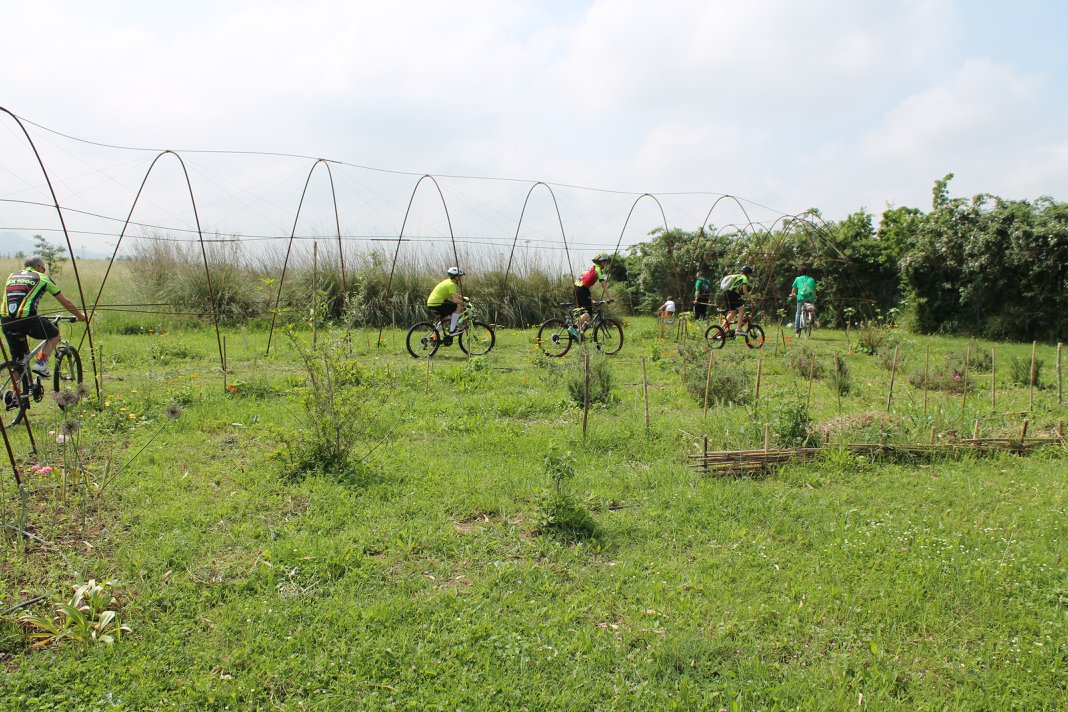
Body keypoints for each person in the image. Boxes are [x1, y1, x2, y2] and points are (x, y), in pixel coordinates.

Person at [2, 256, 86, 378]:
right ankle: (41, 363)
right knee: (55, 334)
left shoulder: (12, 276)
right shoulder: (42, 278)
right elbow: (65, 302)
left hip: (6, 320)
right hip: (27, 319)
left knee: (20, 362)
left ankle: (13, 394)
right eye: (44, 269)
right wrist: (81, 316)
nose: (44, 271)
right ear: (39, 267)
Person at [571, 253, 613, 339]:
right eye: (604, 262)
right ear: (600, 262)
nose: (605, 264)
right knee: (588, 314)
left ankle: (578, 334)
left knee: (583, 314)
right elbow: (604, 285)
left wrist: (589, 300)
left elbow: (582, 280)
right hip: (582, 290)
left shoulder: (591, 269)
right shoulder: (598, 270)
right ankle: (573, 327)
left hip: (576, 288)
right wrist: (610, 298)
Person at [426, 266, 466, 336]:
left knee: (446, 319)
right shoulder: (451, 284)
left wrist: (463, 298)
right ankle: (452, 331)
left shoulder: (448, 282)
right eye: (460, 277)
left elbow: (455, 295)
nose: (461, 278)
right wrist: (464, 303)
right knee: (458, 307)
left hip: (432, 303)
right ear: (455, 277)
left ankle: (433, 336)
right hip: (437, 303)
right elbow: (455, 300)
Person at [720, 265, 753, 335]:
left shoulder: (738, 276)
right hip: (733, 294)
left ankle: (720, 330)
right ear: (747, 274)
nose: (749, 276)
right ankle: (739, 329)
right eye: (749, 274)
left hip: (727, 294)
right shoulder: (744, 278)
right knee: (742, 309)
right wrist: (751, 300)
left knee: (733, 312)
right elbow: (745, 291)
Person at [789, 271, 817, 336]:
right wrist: (814, 296)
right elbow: (814, 289)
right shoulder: (811, 279)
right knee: (810, 309)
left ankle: (797, 330)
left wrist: (792, 294)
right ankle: (811, 322)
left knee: (798, 313)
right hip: (810, 299)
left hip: (801, 298)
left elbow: (794, 288)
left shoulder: (798, 279)